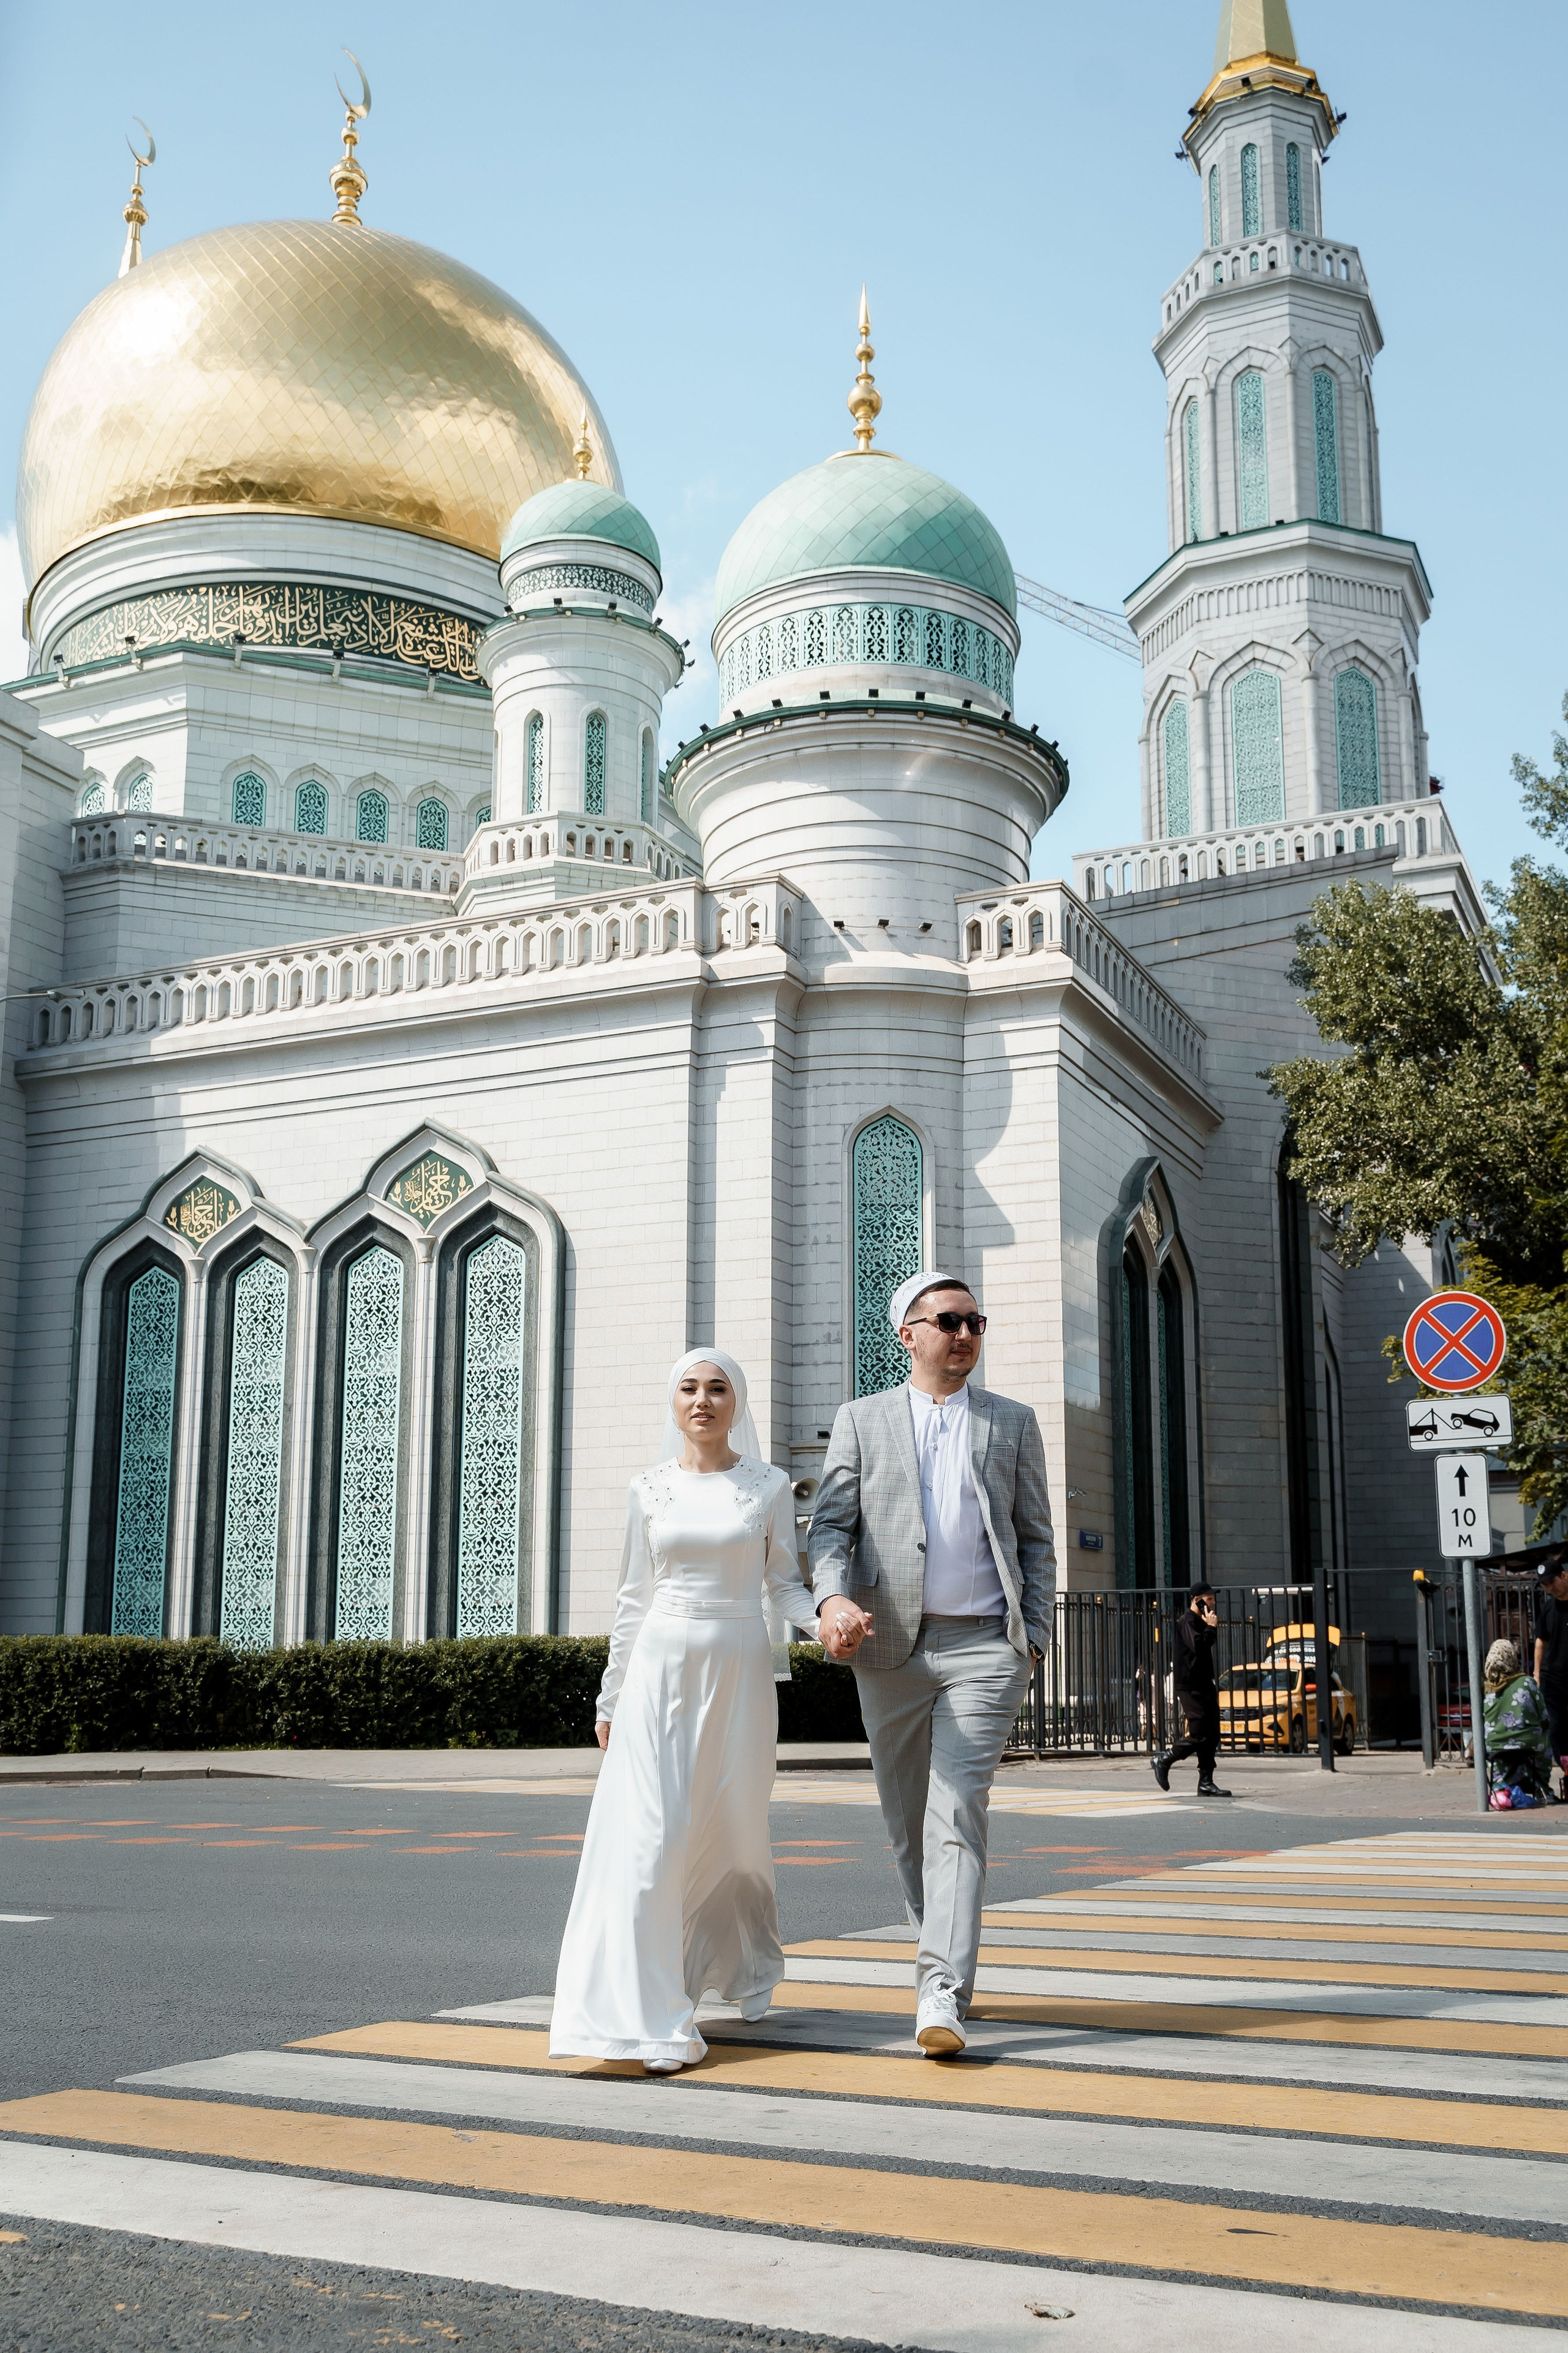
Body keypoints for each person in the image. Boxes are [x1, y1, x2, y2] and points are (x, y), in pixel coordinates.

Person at [550, 1348, 820, 2073]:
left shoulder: (768, 1486)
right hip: (657, 1676)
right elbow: (631, 1599)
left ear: (737, 1402)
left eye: (717, 1388)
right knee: (651, 1843)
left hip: (738, 1676)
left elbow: (783, 1586)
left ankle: (743, 1964)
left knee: (734, 1839)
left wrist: (826, 1622)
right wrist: (610, 1695)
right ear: (673, 1404)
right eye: (689, 1388)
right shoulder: (647, 1489)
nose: (702, 1400)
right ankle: (655, 2017)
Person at [808, 1271, 1055, 2058]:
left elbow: (1036, 1536)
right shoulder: (862, 1419)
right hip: (890, 1651)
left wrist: (1033, 1635)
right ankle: (939, 1956)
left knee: (957, 1812)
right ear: (908, 1333)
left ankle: (940, 1986)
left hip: (985, 1648)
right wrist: (831, 1600)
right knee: (907, 1823)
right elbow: (831, 1527)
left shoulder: (1011, 1420)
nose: (965, 1334)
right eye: (949, 1321)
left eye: (976, 1321)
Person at [1153, 1584, 1231, 1797]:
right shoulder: (1186, 1621)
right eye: (1209, 1599)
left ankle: (1206, 1782)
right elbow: (1199, 1645)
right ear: (1197, 1600)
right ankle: (1165, 1759)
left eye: (1213, 1599)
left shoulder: (1201, 1621)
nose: (1213, 1603)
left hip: (1205, 1683)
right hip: (1189, 1686)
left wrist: (1209, 1626)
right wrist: (1211, 1627)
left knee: (1212, 1733)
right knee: (1199, 1734)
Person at [1482, 1637, 1557, 1808]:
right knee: (1544, 1741)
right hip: (1529, 1743)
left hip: (1494, 1746)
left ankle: (1500, 1786)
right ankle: (1541, 1786)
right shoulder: (1527, 1683)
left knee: (1492, 1752)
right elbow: (1544, 1717)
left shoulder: (1486, 1688)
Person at [1532, 1552, 1568, 1796]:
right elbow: (1540, 1642)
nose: (1549, 1588)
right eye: (1544, 1585)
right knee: (1555, 1729)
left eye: (1552, 1582)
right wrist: (1536, 1674)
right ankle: (1567, 1768)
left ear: (1564, 1575)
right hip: (1552, 1679)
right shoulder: (1547, 1609)